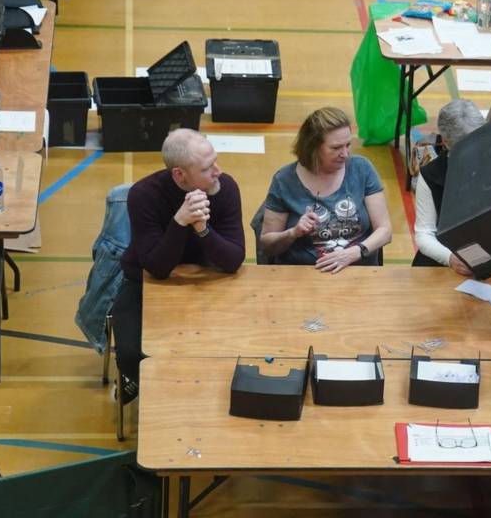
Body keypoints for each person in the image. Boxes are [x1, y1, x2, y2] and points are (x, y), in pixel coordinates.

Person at [115, 129, 246, 402]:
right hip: (145, 283)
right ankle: (157, 393)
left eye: (216, 162)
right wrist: (179, 222)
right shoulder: (144, 195)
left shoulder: (227, 189)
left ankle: (194, 396)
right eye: (207, 168)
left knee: (232, 346)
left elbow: (233, 259)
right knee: (129, 355)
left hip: (206, 281)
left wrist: (203, 230)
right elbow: (157, 268)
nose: (217, 172)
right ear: (179, 175)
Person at [260, 107, 391, 271]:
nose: (345, 154)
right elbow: (267, 245)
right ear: (313, 147)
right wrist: (293, 233)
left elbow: (385, 231)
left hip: (358, 271)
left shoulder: (362, 169)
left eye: (348, 145)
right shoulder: (284, 180)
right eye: (336, 148)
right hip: (303, 275)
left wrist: (353, 253)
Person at [412, 99, 485, 274]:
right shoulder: (431, 175)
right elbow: (424, 234)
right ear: (445, 141)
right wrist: (450, 258)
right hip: (445, 263)